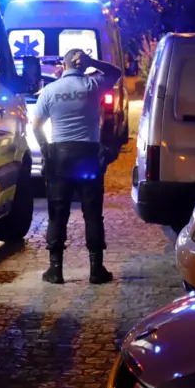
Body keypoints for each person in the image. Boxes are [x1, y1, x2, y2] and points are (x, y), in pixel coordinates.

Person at [31, 48, 123, 285]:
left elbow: (36, 126)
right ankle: (96, 269)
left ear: (63, 66)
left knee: (57, 213)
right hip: (88, 157)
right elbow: (116, 72)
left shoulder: (50, 90)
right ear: (84, 65)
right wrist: (93, 61)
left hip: (60, 157)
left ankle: (55, 270)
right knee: (92, 214)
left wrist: (46, 149)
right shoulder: (92, 85)